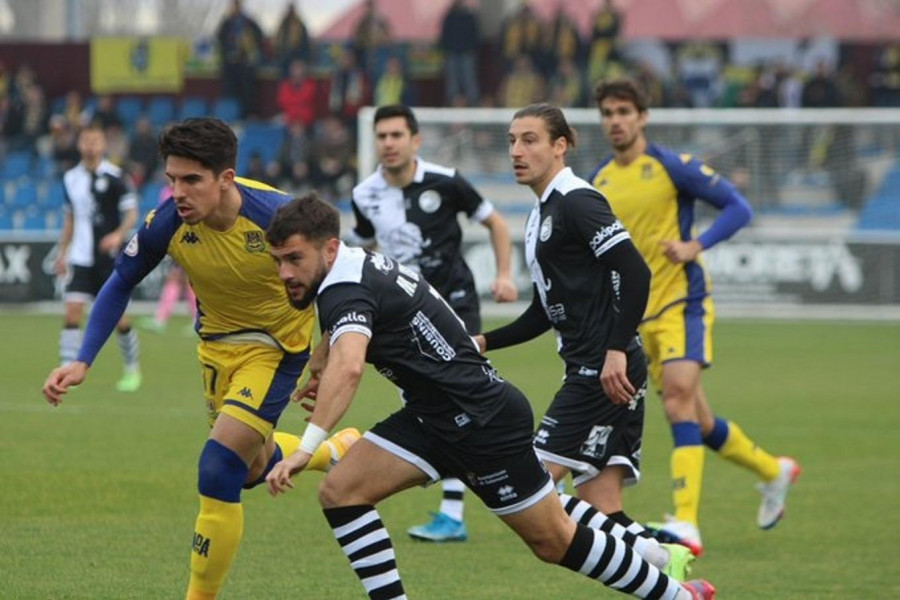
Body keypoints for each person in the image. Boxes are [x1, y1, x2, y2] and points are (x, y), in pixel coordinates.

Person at [264, 192, 716, 600]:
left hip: (482, 420)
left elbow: (351, 366)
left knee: (553, 541)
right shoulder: (352, 265)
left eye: (294, 259)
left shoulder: (344, 287)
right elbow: (355, 330)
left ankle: (674, 595)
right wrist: (322, 353)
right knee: (341, 491)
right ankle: (651, 554)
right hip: (432, 417)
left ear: (327, 248)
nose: (285, 273)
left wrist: (306, 447)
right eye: (278, 261)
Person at [42, 117, 360, 600]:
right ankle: (332, 452)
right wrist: (84, 359)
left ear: (226, 179)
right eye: (171, 179)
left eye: (191, 180)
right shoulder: (168, 222)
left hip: (275, 351)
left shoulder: (277, 217)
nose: (178, 192)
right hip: (215, 350)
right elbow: (120, 281)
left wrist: (324, 352)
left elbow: (341, 278)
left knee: (216, 467)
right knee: (249, 469)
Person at [475, 102, 696, 583]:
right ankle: (669, 570)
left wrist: (615, 350)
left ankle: (658, 561)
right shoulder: (540, 214)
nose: (517, 150)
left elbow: (634, 271)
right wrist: (485, 340)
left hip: (601, 370)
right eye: (512, 140)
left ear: (560, 145)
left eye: (530, 140)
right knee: (601, 506)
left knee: (528, 486)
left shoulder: (577, 199)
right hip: (601, 368)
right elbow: (543, 311)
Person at [590, 78, 801, 556]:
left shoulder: (671, 166)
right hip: (638, 319)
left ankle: (685, 522)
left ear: (643, 117)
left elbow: (737, 207)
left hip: (683, 303)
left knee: (677, 402)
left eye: (624, 111)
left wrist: (694, 245)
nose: (615, 120)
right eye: (607, 113)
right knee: (699, 422)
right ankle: (774, 471)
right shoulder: (599, 180)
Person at [347, 104, 519, 543]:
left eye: (396, 135)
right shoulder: (364, 194)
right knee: (430, 400)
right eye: (381, 136)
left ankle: (461, 507)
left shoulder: (446, 181)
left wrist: (503, 274)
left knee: (463, 396)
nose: (388, 144)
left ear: (415, 140)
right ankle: (515, 473)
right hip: (405, 315)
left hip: (455, 305)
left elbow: (497, 223)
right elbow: (364, 248)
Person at [54, 124, 142, 392]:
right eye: (86, 140)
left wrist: (117, 235)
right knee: (72, 313)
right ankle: (67, 369)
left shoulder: (116, 177)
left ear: (103, 145)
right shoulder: (70, 178)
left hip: (108, 258)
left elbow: (131, 214)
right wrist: (62, 253)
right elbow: (70, 218)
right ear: (80, 145)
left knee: (119, 319)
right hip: (81, 257)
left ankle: (132, 368)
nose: (91, 145)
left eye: (96, 140)